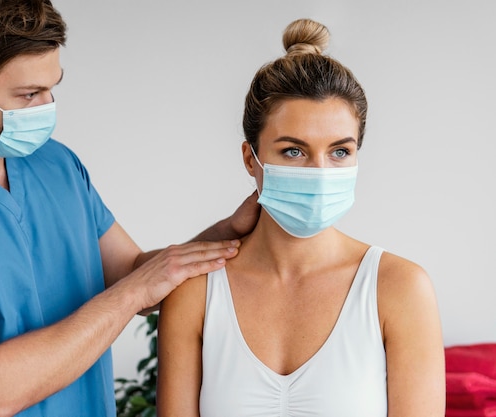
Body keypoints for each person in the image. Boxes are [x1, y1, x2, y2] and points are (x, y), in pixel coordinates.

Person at [0, 1, 260, 416]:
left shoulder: (55, 164)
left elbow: (133, 274)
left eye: (51, 88)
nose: (46, 106)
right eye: (28, 94)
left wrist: (227, 232)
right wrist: (132, 292)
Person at [156, 18, 445, 417]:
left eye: (340, 151)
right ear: (250, 159)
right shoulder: (195, 292)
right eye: (294, 151)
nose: (320, 171)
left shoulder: (399, 288)